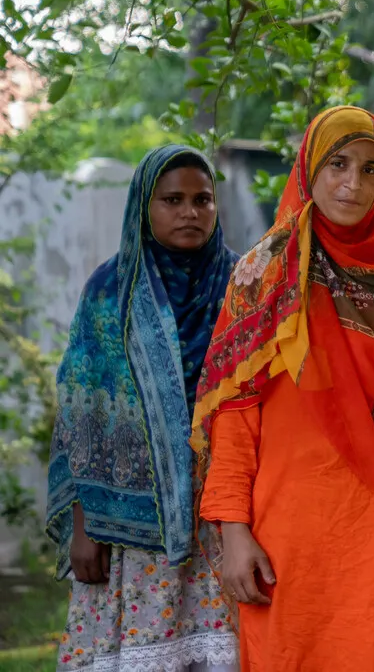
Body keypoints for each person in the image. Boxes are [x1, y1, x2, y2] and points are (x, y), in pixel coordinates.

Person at [191, 106, 374, 671]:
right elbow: (235, 412)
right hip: (291, 527)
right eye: (338, 163)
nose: (353, 182)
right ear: (309, 167)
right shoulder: (265, 272)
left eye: (370, 168)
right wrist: (234, 530)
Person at [46, 145, 239, 671]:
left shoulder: (243, 287)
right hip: (131, 531)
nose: (190, 212)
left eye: (203, 199)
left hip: (226, 516)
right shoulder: (111, 294)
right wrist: (84, 524)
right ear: (143, 207)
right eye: (172, 199)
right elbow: (81, 417)